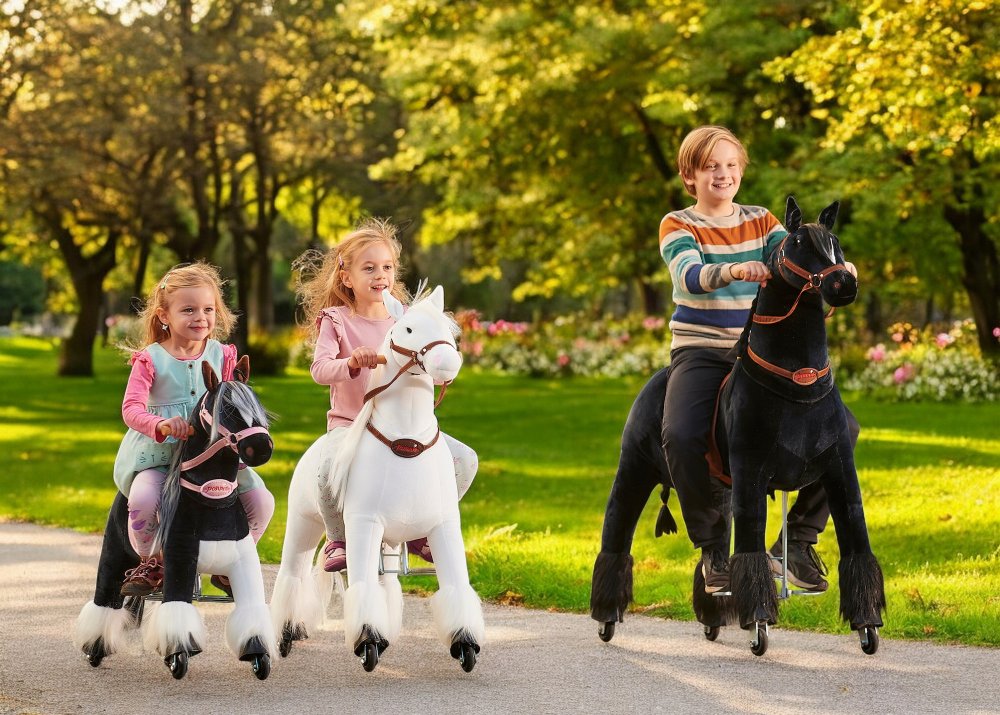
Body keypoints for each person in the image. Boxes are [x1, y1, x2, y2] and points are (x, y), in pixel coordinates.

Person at [658, 125, 851, 593]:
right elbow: (688, 276)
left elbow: (795, 255)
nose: (722, 174)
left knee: (844, 432)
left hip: (763, 357)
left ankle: (798, 544)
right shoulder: (679, 224)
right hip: (704, 350)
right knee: (681, 435)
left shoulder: (764, 220)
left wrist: (834, 269)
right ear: (690, 176)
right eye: (711, 167)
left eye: (730, 165)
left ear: (741, 170)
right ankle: (713, 550)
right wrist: (732, 270)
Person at [296, 217, 478, 573]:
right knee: (326, 469)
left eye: (387, 267)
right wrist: (351, 363)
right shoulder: (335, 319)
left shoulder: (407, 319)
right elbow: (320, 370)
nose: (381, 275)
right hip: (351, 424)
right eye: (369, 268)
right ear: (346, 277)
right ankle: (338, 538)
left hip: (403, 429)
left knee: (465, 460)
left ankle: (419, 529)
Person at [115, 262, 275, 597]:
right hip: (159, 456)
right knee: (143, 500)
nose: (200, 317)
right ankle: (153, 559)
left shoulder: (223, 354)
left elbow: (234, 401)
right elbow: (131, 409)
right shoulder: (151, 359)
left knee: (262, 501)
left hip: (215, 457)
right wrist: (160, 424)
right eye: (188, 309)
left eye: (208, 309)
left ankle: (232, 564)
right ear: (164, 315)